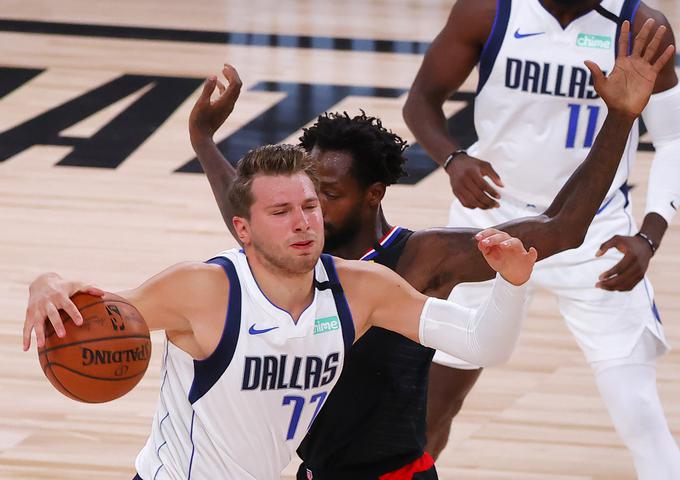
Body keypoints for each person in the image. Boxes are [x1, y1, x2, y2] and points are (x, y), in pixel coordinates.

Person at [187, 21, 672, 480]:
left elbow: (562, 228)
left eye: (329, 195)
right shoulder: (299, 248)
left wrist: (622, 117)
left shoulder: (422, 258)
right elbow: (246, 210)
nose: (309, 209)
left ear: (373, 194)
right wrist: (204, 139)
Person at [24, 144, 541, 478]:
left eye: (310, 206)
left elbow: (481, 344)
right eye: (280, 212)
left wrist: (512, 285)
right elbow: (101, 318)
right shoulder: (201, 289)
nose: (302, 223)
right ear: (243, 229)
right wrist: (46, 283)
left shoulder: (363, 289)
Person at [403, 0, 680, 477]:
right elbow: (420, 101)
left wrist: (649, 235)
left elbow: (674, 137)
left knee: (638, 412)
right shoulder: (487, 11)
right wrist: (452, 158)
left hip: (596, 230)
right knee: (434, 405)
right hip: (489, 224)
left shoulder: (642, 24)